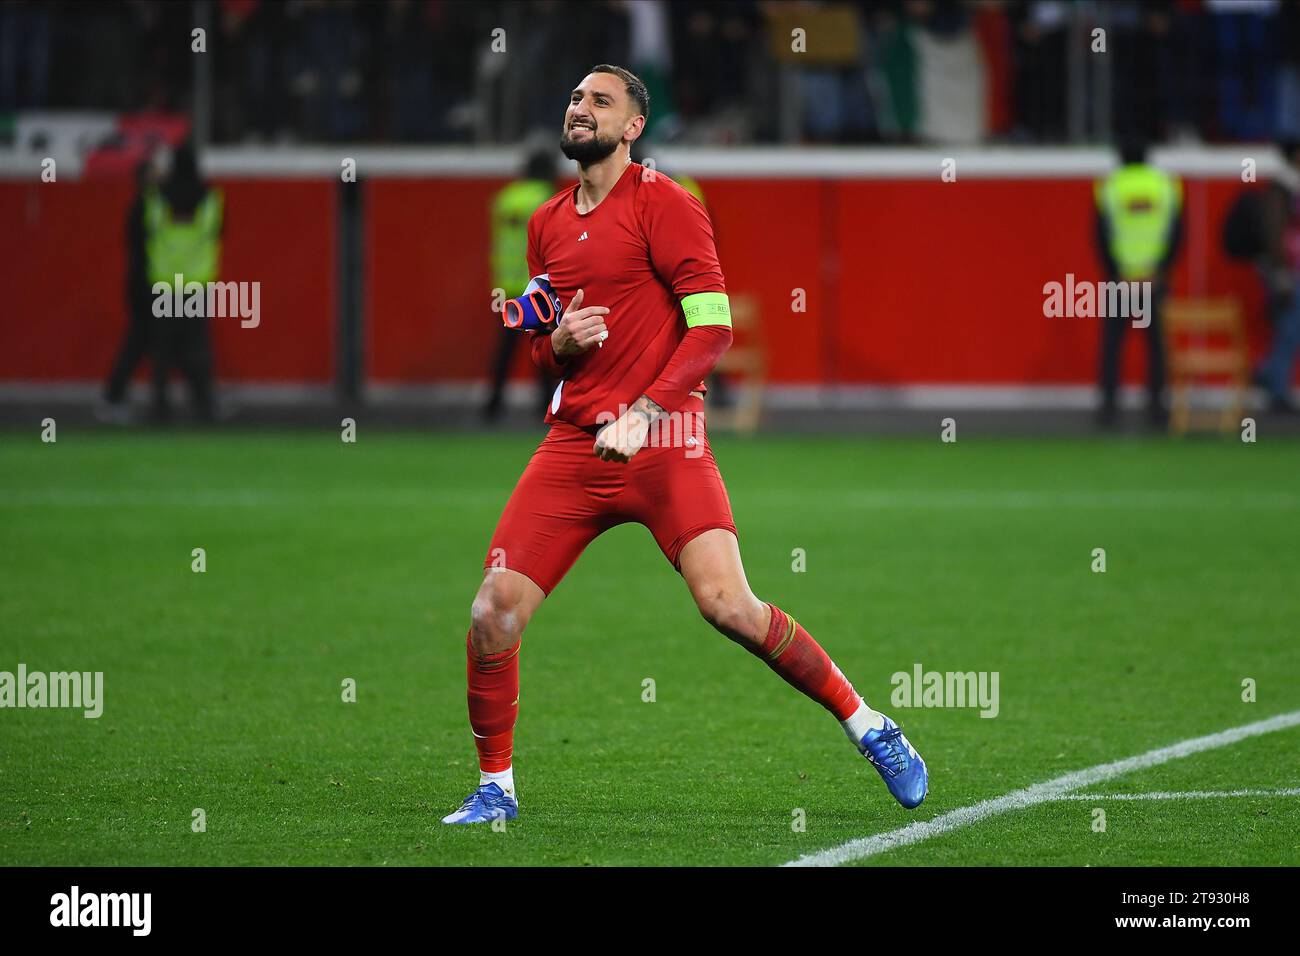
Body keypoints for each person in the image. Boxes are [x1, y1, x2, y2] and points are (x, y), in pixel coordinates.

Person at [443, 65, 927, 825]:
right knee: (491, 611)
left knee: (729, 606)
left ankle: (869, 725)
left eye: (600, 101)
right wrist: (558, 345)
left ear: (634, 127)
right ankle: (495, 788)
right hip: (574, 449)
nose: (580, 108)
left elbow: (713, 330)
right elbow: (542, 349)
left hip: (666, 439)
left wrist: (644, 413)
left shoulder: (667, 204)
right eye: (575, 98)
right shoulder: (545, 223)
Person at [1094, 138, 1183, 428]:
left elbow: (1101, 234)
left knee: (1112, 344)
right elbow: (1177, 232)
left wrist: (1116, 272)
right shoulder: (1166, 185)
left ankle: (1108, 407)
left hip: (1121, 279)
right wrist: (1161, 270)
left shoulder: (1110, 186)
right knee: (1156, 345)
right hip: (1154, 280)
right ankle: (1157, 406)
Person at [144, 140, 221, 422]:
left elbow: (149, 229)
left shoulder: (158, 196)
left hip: (165, 281)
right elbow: (216, 231)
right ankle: (204, 404)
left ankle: (159, 406)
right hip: (196, 282)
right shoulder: (209, 197)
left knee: (163, 347)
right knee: (197, 346)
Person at [483, 147, 559, 422]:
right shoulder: (546, 199)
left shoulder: (505, 198)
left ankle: (493, 405)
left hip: (506, 284)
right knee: (544, 345)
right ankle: (546, 405)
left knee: (505, 350)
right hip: (535, 285)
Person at [98, 148, 164, 424]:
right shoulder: (147, 208)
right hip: (146, 286)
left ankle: (118, 397)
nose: (162, 175)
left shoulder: (145, 206)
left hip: (144, 284)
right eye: (156, 172)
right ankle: (114, 398)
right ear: (146, 178)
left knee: (147, 342)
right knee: (141, 342)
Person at [1253, 139, 1300, 413]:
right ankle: (1273, 380)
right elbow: (1274, 233)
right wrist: (1281, 273)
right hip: (1288, 271)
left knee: (1288, 327)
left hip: (1292, 268)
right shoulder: (1281, 188)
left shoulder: (1289, 185)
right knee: (1290, 328)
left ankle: (1270, 374)